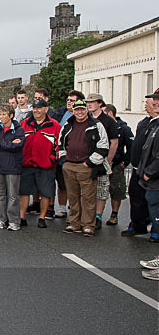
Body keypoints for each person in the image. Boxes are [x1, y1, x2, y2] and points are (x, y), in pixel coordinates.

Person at [57, 100, 108, 237]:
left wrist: (90, 163)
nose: (79, 112)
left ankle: (88, 225)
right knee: (73, 196)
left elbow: (103, 145)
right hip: (69, 165)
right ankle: (74, 223)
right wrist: (64, 160)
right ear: (73, 111)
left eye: (82, 109)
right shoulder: (67, 124)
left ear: (87, 110)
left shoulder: (96, 125)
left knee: (88, 198)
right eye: (77, 110)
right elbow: (61, 143)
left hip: (86, 166)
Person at [18, 98, 60, 229]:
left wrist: (52, 159)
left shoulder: (55, 125)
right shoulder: (25, 123)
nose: (36, 111)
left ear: (46, 109)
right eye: (34, 108)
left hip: (45, 165)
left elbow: (59, 145)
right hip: (27, 164)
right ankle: (22, 217)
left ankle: (42, 217)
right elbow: (18, 141)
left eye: (39, 108)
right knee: (24, 191)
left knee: (46, 192)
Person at [123, 93, 159, 238]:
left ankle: (156, 230)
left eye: (153, 102)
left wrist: (150, 172)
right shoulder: (145, 122)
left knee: (153, 202)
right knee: (136, 198)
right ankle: (138, 225)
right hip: (138, 169)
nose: (149, 105)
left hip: (151, 173)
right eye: (152, 102)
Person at [85, 93, 120, 229]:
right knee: (86, 190)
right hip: (87, 160)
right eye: (88, 102)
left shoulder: (108, 121)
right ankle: (87, 215)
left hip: (102, 160)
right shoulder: (85, 118)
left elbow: (114, 142)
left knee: (101, 190)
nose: (89, 104)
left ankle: (98, 216)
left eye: (92, 102)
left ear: (100, 103)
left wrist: (108, 160)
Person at [0, 104, 25, 230]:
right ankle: (1, 219)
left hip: (12, 166)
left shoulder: (19, 130)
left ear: (11, 115)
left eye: (4, 114)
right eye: (0, 114)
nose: (1, 117)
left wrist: (1, 143)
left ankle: (14, 221)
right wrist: (8, 143)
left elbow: (18, 146)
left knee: (13, 196)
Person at [54, 90, 85, 219]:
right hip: (62, 156)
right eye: (68, 100)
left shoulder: (86, 117)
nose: (69, 102)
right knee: (62, 184)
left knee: (76, 187)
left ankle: (76, 211)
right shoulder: (62, 113)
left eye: (72, 100)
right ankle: (62, 208)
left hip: (78, 158)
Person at [135, 89, 159, 243]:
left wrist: (149, 172)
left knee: (155, 207)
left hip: (155, 179)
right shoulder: (154, 124)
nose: (155, 103)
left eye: (158, 100)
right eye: (154, 100)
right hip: (150, 178)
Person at [103, 104, 132, 226]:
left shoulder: (123, 128)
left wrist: (124, 163)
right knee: (100, 192)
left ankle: (114, 215)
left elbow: (131, 147)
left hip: (116, 165)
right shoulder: (101, 126)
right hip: (101, 164)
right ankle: (97, 216)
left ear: (110, 114)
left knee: (116, 191)